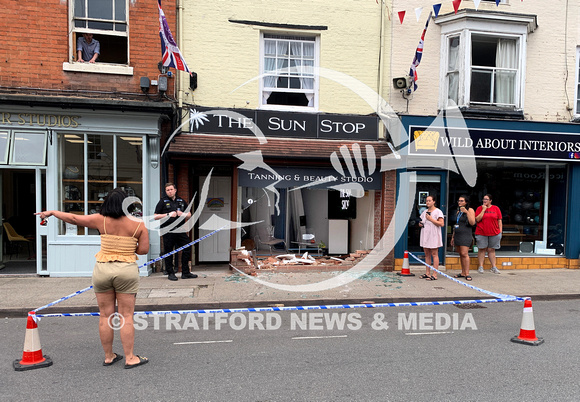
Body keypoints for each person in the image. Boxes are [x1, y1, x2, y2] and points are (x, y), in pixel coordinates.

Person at [36, 188, 149, 369]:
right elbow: (143, 250)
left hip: (102, 270)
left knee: (105, 315)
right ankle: (130, 357)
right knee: (126, 316)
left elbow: (73, 219)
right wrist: (127, 248)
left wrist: (52, 212)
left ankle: (109, 356)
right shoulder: (138, 224)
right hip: (126, 270)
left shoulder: (99, 220)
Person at [154, 182, 196, 281]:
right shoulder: (162, 201)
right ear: (166, 191)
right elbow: (155, 216)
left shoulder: (181, 201)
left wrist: (182, 214)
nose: (170, 191)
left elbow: (189, 214)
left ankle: (185, 272)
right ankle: (170, 273)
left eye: (171, 189)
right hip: (167, 230)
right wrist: (168, 214)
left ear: (175, 190)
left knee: (187, 247)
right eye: (168, 190)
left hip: (180, 230)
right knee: (168, 251)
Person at [418, 195, 445, 280]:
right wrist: (420, 224)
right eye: (426, 201)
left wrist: (431, 219)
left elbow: (441, 224)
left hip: (433, 235)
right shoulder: (425, 211)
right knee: (427, 254)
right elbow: (422, 221)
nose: (428, 202)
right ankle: (427, 273)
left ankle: (435, 274)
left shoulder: (438, 212)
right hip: (425, 234)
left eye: (429, 201)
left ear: (434, 202)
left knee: (434, 254)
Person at [475, 194, 502, 274]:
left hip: (494, 232)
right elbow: (477, 219)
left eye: (486, 199)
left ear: (490, 200)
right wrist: (483, 210)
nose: (484, 201)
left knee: (491, 250)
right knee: (482, 249)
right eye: (484, 199)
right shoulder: (479, 208)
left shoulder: (496, 208)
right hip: (481, 232)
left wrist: (500, 231)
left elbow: (499, 220)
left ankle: (494, 267)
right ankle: (480, 266)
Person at [451, 195, 476, 281]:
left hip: (466, 234)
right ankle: (463, 272)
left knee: (465, 253)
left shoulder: (470, 210)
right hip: (458, 234)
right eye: (459, 201)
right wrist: (453, 237)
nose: (459, 202)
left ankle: (467, 273)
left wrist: (466, 212)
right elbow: (456, 225)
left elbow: (472, 222)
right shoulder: (458, 212)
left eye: (462, 201)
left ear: (466, 202)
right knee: (461, 254)